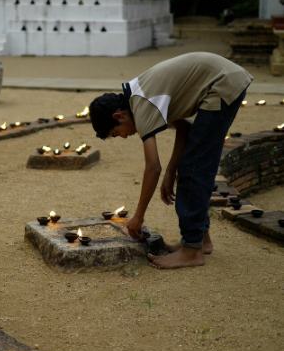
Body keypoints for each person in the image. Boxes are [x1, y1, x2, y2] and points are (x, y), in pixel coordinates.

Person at [89, 52, 253, 269]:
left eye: (116, 132)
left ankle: (192, 251)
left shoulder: (141, 104)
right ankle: (200, 241)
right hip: (225, 78)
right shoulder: (140, 95)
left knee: (194, 169)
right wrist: (171, 172)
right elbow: (184, 129)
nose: (123, 136)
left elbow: (152, 167)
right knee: (192, 165)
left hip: (222, 84)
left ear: (119, 116)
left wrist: (138, 216)